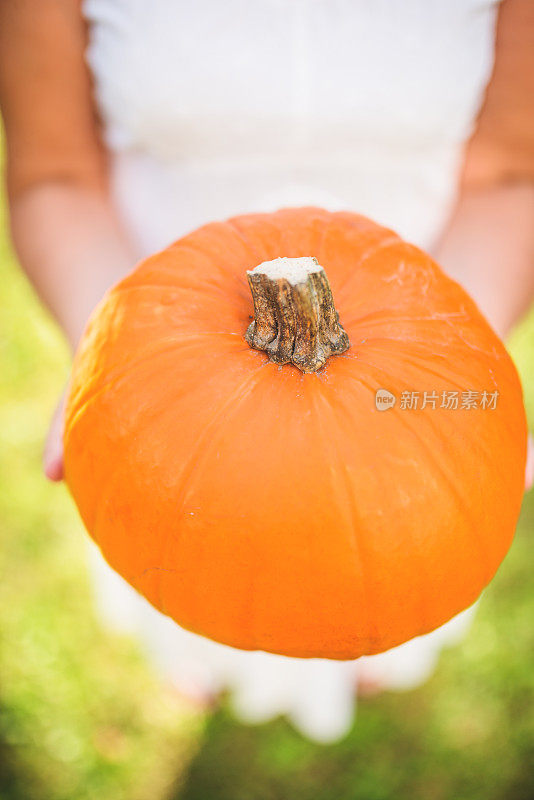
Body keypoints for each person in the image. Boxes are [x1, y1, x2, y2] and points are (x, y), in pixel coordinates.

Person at [1, 0, 533, 743]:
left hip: (407, 350)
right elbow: (52, 174)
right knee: (191, 562)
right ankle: (201, 657)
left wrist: (462, 361)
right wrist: (111, 349)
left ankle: (358, 654)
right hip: (169, 370)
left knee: (387, 551)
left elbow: (511, 174)